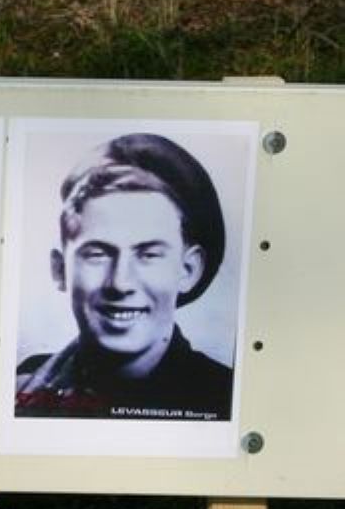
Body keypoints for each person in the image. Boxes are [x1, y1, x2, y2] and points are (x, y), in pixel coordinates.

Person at [16, 133, 234, 420]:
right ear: (60, 270)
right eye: (97, 254)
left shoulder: (224, 398)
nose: (120, 283)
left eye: (148, 254)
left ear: (188, 270)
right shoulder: (23, 391)